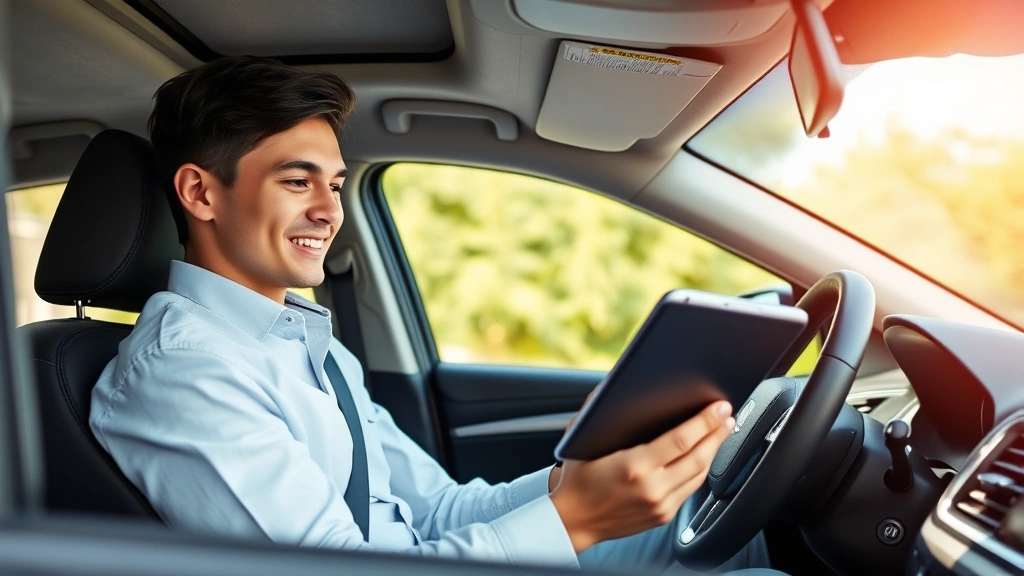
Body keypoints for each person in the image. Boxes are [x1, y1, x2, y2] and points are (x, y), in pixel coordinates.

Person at [90, 56, 778, 574]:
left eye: (334, 185)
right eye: (297, 181)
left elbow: (438, 511)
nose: (330, 212)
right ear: (200, 194)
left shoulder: (309, 346)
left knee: (744, 538)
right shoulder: (182, 372)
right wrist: (575, 519)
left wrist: (571, 485)